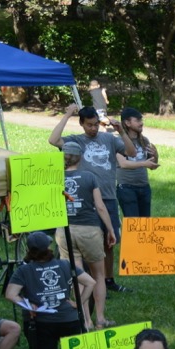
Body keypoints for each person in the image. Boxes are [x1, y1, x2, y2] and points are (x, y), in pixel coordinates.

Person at [4, 232, 93, 349]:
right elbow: (90, 282)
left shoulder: (24, 271)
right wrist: (78, 304)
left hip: (40, 323)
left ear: (29, 250)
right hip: (70, 320)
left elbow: (10, 294)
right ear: (48, 248)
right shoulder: (64, 264)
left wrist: (28, 305)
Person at [49, 104, 134, 294]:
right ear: (81, 124)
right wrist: (68, 113)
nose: (93, 128)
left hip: (108, 197)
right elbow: (53, 140)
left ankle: (108, 279)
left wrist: (121, 131)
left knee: (109, 242)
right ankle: (90, 281)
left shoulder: (109, 139)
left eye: (96, 124)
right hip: (86, 199)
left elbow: (131, 152)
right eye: (89, 125)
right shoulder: (76, 141)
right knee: (88, 241)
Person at [56, 139, 115, 329]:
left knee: (78, 275)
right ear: (80, 157)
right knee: (98, 275)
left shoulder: (55, 178)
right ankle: (99, 318)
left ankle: (85, 320)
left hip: (64, 231)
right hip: (89, 230)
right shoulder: (89, 177)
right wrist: (111, 229)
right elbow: (100, 206)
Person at [115, 108, 158, 218]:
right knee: (132, 225)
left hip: (144, 187)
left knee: (145, 224)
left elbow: (152, 166)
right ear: (127, 123)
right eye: (138, 120)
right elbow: (123, 164)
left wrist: (155, 155)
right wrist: (144, 164)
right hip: (126, 188)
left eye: (141, 120)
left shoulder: (144, 140)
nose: (141, 123)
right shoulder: (118, 141)